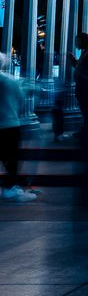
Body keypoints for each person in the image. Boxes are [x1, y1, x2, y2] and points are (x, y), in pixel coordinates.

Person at [0, 58, 34, 202]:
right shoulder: (8, 80)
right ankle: (10, 189)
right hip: (9, 123)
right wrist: (27, 88)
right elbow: (20, 97)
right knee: (12, 158)